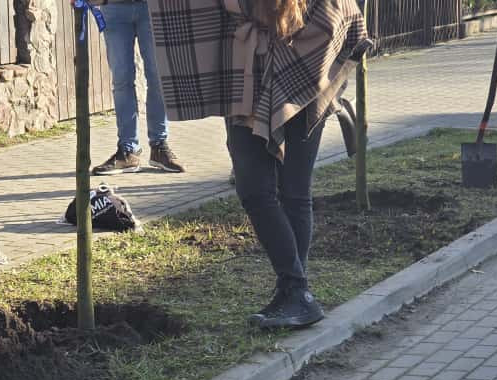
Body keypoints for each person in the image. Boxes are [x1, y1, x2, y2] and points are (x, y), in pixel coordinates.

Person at [148, 0, 370, 329]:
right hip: (247, 78)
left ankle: (294, 290)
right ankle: (296, 290)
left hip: (305, 81)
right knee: (253, 188)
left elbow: (344, 16)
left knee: (294, 190)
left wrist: (303, 67)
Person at [91, 0, 185, 175]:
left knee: (158, 79)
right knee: (121, 81)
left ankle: (159, 146)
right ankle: (128, 151)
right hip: (113, 8)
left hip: (152, 8)